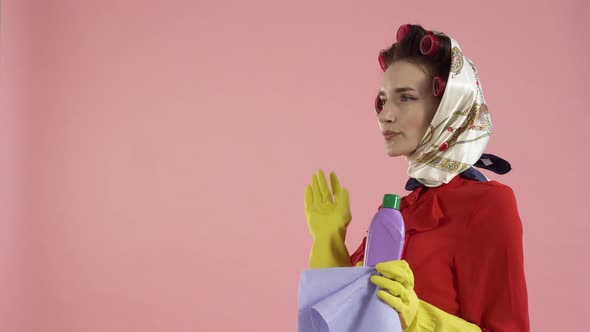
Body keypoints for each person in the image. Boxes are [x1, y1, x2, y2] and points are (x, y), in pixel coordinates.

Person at [303, 24, 530, 331]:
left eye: (405, 98)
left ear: (449, 107)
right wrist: (329, 239)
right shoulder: (405, 209)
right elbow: (346, 318)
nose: (385, 114)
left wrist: (418, 318)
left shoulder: (488, 204)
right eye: (383, 100)